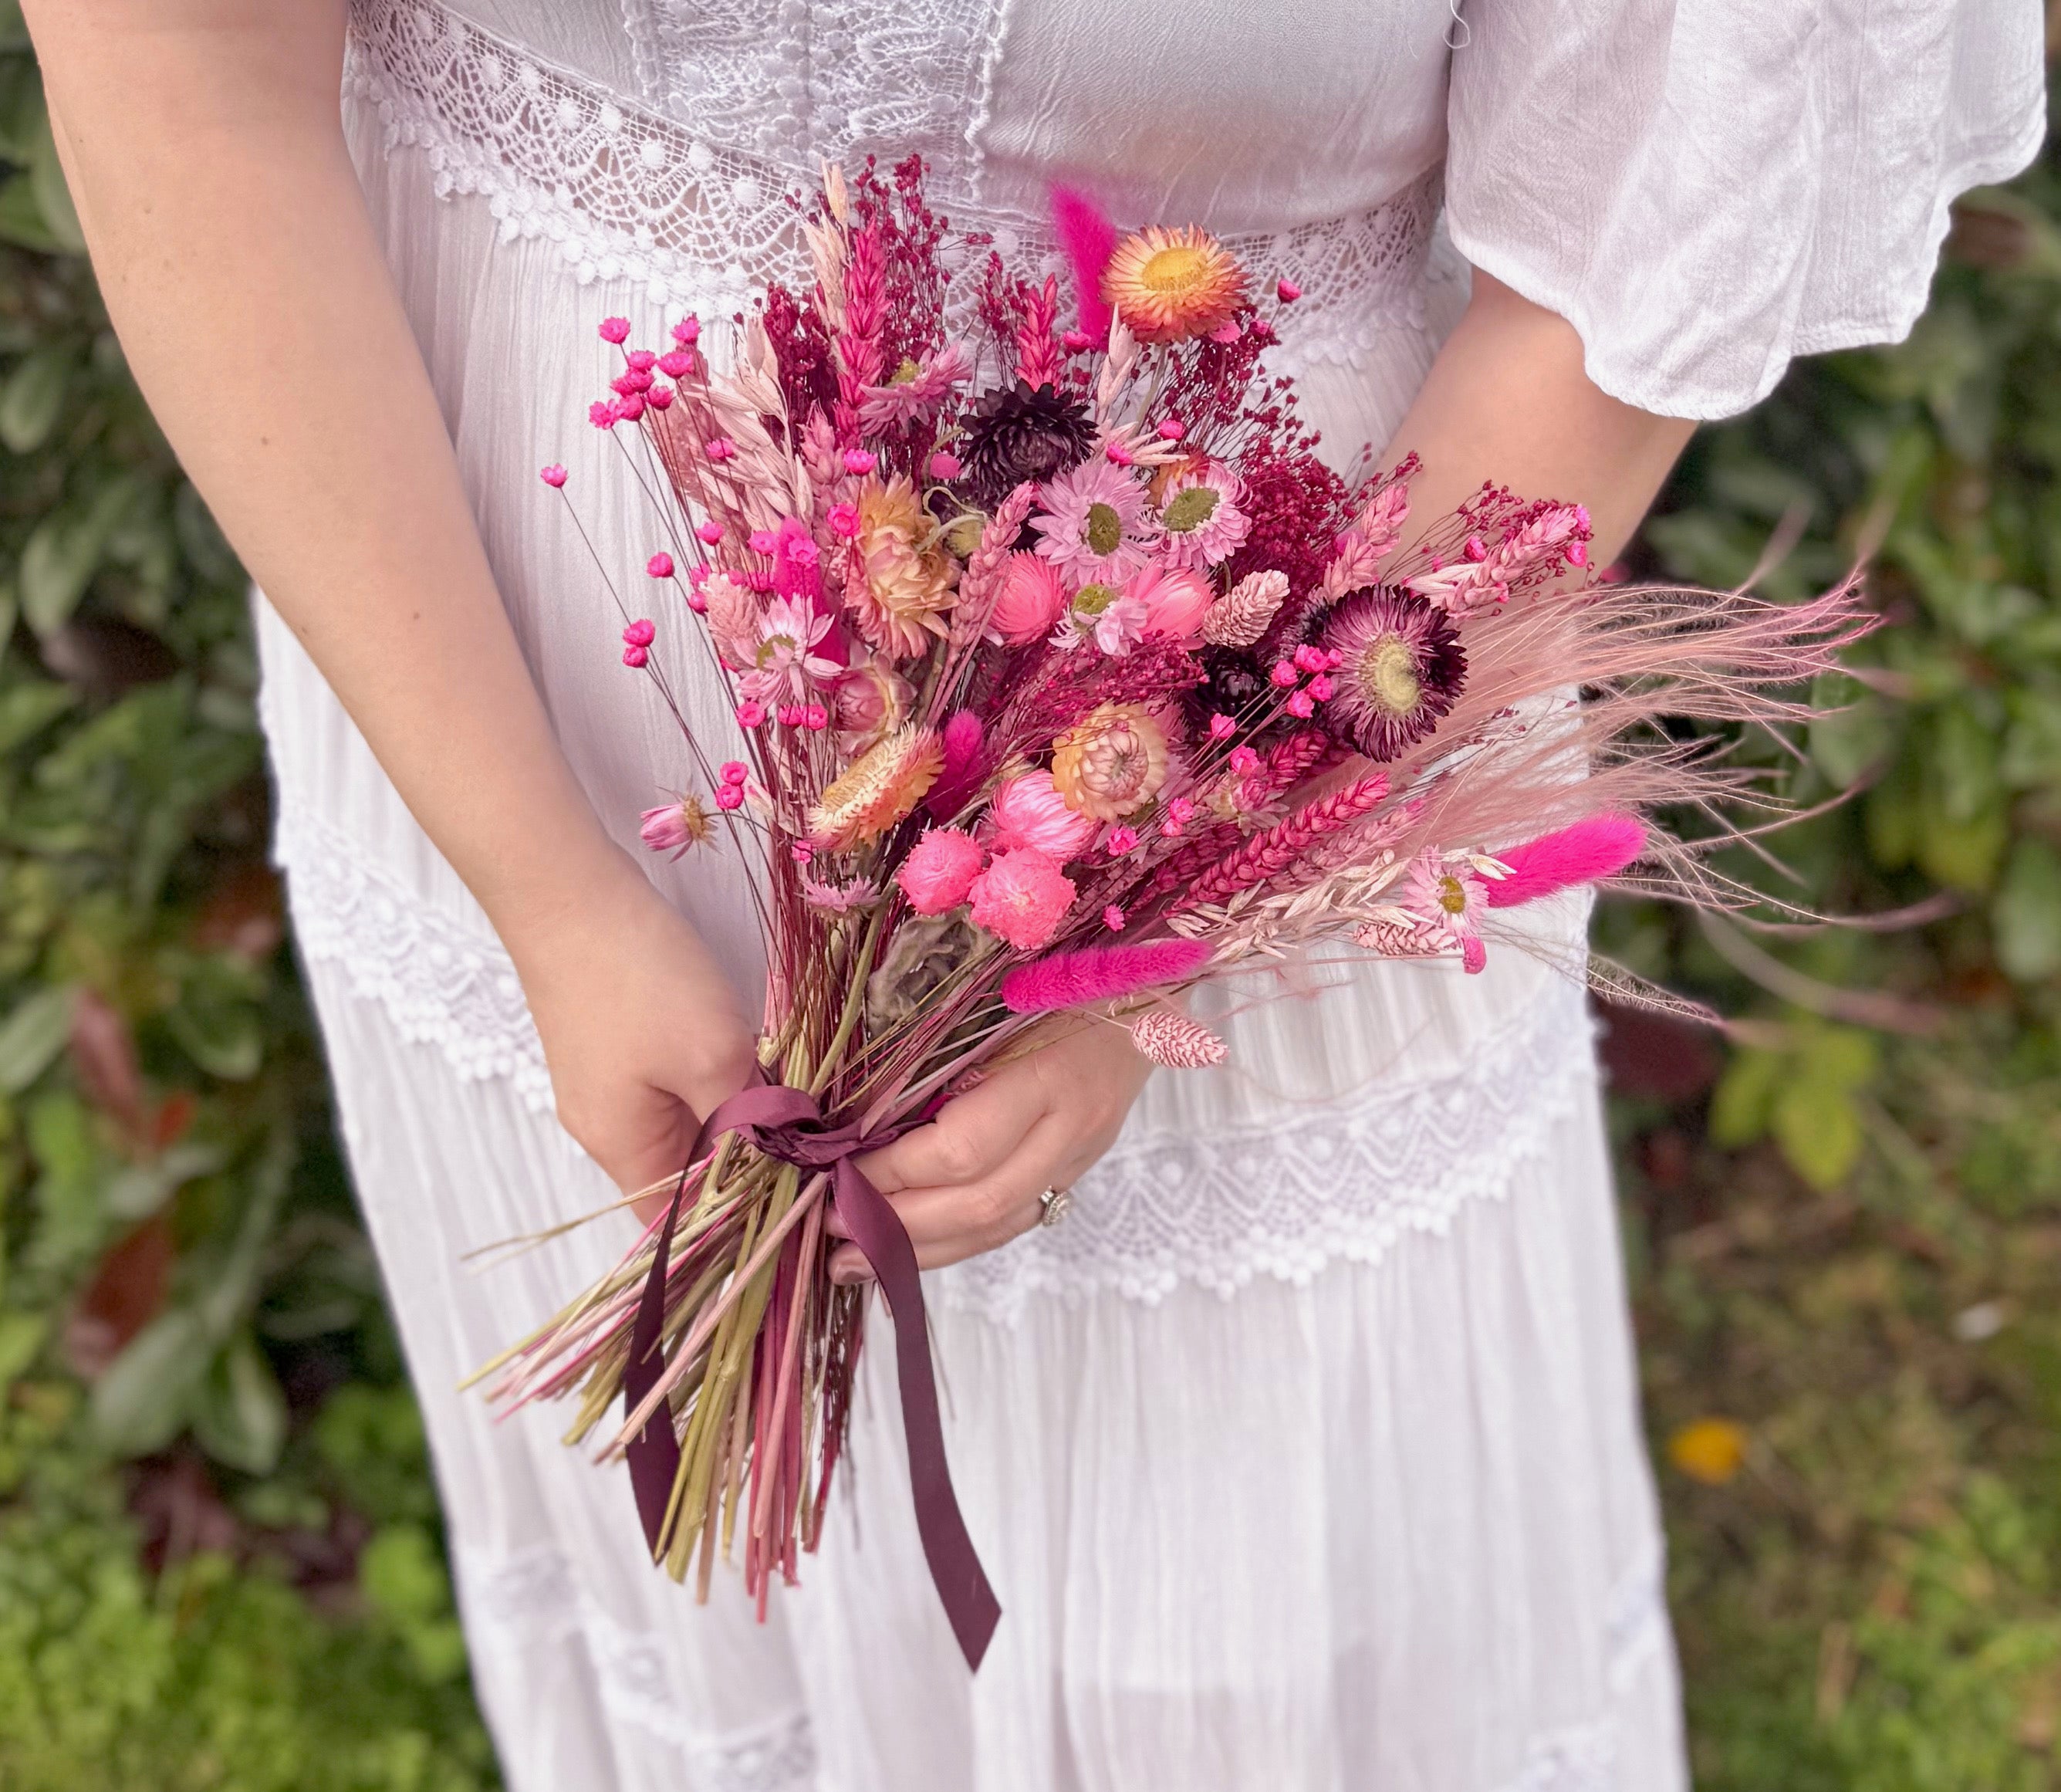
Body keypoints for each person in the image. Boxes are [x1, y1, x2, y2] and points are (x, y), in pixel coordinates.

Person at [29, 2, 2046, 1787]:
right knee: (713, 1623)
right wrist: (548, 896)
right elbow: (175, 57)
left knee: (1254, 1645)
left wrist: (1159, 919)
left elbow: (1624, 256)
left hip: (1269, 687)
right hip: (497, 673)